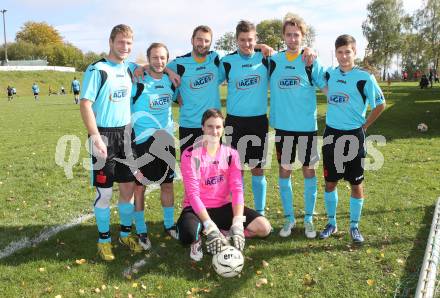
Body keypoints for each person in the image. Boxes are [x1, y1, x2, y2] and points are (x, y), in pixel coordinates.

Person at [79, 24, 143, 261]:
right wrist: (95, 136)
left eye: (128, 43)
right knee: (104, 193)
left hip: (126, 135)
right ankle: (103, 240)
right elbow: (85, 103)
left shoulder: (128, 69)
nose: (125, 47)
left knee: (128, 189)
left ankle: (125, 234)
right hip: (103, 135)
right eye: (120, 42)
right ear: (111, 41)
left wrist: (169, 72)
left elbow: (152, 66)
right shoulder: (97, 69)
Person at [177, 108, 271, 261]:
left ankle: (226, 234)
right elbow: (193, 194)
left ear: (223, 129)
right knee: (187, 235)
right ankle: (200, 238)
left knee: (264, 228)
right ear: (202, 127)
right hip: (197, 208)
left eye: (218, 127)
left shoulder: (231, 154)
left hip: (223, 207)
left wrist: (238, 222)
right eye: (210, 126)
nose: (214, 131)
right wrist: (208, 223)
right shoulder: (189, 154)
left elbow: (237, 189)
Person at [320, 34, 386, 244]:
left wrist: (365, 126)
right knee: (330, 182)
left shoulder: (365, 77)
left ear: (354, 52)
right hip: (331, 135)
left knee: (356, 184)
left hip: (354, 136)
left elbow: (380, 104)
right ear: (336, 53)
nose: (343, 56)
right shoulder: (330, 74)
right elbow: (313, 74)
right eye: (339, 52)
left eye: (347, 52)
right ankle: (332, 223)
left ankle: (354, 226)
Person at [269, 14, 326, 238]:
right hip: (283, 128)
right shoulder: (274, 60)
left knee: (309, 171)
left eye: (297, 35)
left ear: (303, 36)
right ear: (283, 36)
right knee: (285, 171)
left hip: (306, 128)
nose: (293, 39)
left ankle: (309, 219)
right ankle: (289, 218)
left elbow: (326, 88)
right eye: (289, 35)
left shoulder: (311, 61)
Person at [219, 20, 271, 216]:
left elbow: (291, 55)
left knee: (258, 169)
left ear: (256, 39)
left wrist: (261, 47)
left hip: (258, 121)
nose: (247, 44)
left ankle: (259, 212)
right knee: (236, 170)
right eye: (242, 40)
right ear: (236, 40)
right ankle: (238, 212)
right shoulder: (227, 61)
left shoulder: (265, 57)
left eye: (250, 40)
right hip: (234, 122)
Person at [131, 42, 179, 250]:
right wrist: (139, 67)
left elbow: (181, 100)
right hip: (142, 143)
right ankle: (141, 230)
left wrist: (169, 71)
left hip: (166, 140)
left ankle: (169, 225)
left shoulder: (171, 81)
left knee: (167, 184)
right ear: (148, 59)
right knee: (139, 187)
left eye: (162, 58)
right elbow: (123, 63)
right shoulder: (139, 79)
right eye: (154, 58)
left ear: (167, 60)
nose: (158, 62)